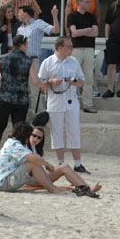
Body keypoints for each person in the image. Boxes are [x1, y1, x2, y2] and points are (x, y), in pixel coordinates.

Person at [0, 35, 46, 171]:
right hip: (21, 101)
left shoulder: (2, 59)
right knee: (19, 134)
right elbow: (35, 81)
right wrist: (43, 85)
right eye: (27, 44)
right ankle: (15, 163)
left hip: (4, 99)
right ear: (23, 45)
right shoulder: (28, 61)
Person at [38, 36, 89, 173]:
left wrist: (73, 82)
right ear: (60, 48)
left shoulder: (74, 62)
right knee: (57, 133)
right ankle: (61, 163)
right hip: (55, 102)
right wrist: (51, 82)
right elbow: (40, 85)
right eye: (69, 46)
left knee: (74, 131)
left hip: (71, 101)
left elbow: (82, 81)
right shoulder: (47, 62)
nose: (72, 49)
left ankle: (78, 164)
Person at [26, 121, 101, 196]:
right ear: (29, 135)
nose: (35, 139)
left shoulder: (35, 148)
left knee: (65, 166)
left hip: (39, 176)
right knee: (63, 167)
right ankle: (86, 187)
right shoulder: (24, 147)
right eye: (34, 135)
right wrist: (46, 164)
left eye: (39, 138)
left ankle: (86, 186)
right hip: (31, 179)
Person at [0, 121, 68, 195]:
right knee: (32, 163)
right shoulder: (14, 145)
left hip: (4, 181)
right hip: (3, 184)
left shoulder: (17, 144)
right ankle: (53, 189)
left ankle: (53, 188)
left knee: (35, 162)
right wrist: (47, 164)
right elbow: (34, 159)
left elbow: (35, 156)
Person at [16, 4, 60, 108]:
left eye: (20, 12)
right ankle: (23, 116)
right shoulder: (20, 29)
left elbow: (55, 30)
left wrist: (54, 16)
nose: (17, 14)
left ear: (26, 14)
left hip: (33, 61)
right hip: (21, 61)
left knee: (35, 90)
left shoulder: (38, 23)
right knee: (21, 90)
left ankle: (38, 115)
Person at [67, 0, 99, 113]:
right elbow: (74, 33)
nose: (89, 4)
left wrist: (82, 32)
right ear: (79, 3)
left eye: (89, 2)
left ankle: (87, 104)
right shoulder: (72, 16)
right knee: (73, 76)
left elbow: (96, 33)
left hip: (89, 49)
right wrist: (88, 30)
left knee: (88, 77)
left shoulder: (91, 17)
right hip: (76, 48)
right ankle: (70, 102)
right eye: (87, 2)